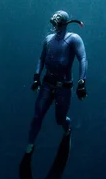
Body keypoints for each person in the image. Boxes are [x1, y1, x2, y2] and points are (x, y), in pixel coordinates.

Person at [25, 10, 87, 156]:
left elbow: (83, 58)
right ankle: (30, 144)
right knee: (37, 116)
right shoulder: (48, 39)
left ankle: (67, 127)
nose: (55, 25)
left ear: (64, 23)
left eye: (58, 23)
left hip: (64, 88)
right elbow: (41, 58)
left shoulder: (73, 38)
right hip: (47, 85)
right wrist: (36, 77)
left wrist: (82, 81)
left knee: (60, 120)